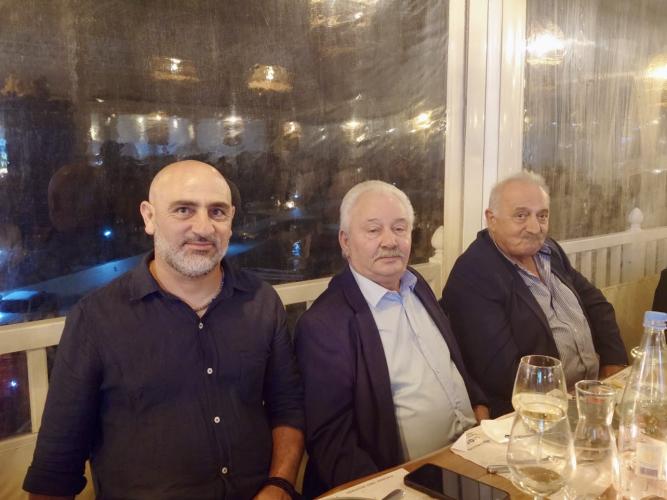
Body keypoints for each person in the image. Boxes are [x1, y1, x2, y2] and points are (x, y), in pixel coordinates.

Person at [23, 160, 304, 500]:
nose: (203, 228)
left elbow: (288, 407)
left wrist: (280, 485)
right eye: (184, 210)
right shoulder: (95, 319)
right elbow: (55, 470)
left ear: (231, 220)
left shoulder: (262, 302)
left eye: (217, 212)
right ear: (149, 217)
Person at [295, 180, 487, 498]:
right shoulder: (325, 324)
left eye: (400, 228)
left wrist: (481, 412)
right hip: (407, 482)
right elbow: (334, 445)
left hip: (471, 456)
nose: (390, 241)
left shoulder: (416, 285)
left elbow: (452, 363)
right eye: (373, 230)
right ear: (345, 241)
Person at [441, 171, 628, 417]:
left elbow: (597, 305)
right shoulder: (474, 273)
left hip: (591, 396)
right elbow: (502, 372)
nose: (534, 227)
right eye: (521, 215)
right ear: (492, 219)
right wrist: (568, 403)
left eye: (542, 216)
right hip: (533, 413)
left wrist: (613, 364)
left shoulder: (549, 251)